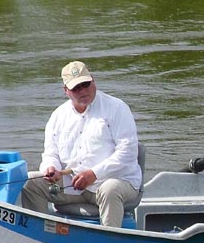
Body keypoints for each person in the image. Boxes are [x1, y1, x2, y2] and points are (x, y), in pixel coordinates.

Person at [21, 60, 142, 228]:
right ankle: (40, 235)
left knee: (110, 190)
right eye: (76, 88)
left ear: (93, 81)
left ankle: (110, 240)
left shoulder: (117, 108)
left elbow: (128, 152)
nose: (83, 91)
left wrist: (94, 173)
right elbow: (51, 152)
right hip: (72, 185)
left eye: (86, 84)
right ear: (66, 91)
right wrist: (51, 168)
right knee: (30, 182)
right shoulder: (58, 116)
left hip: (114, 180)